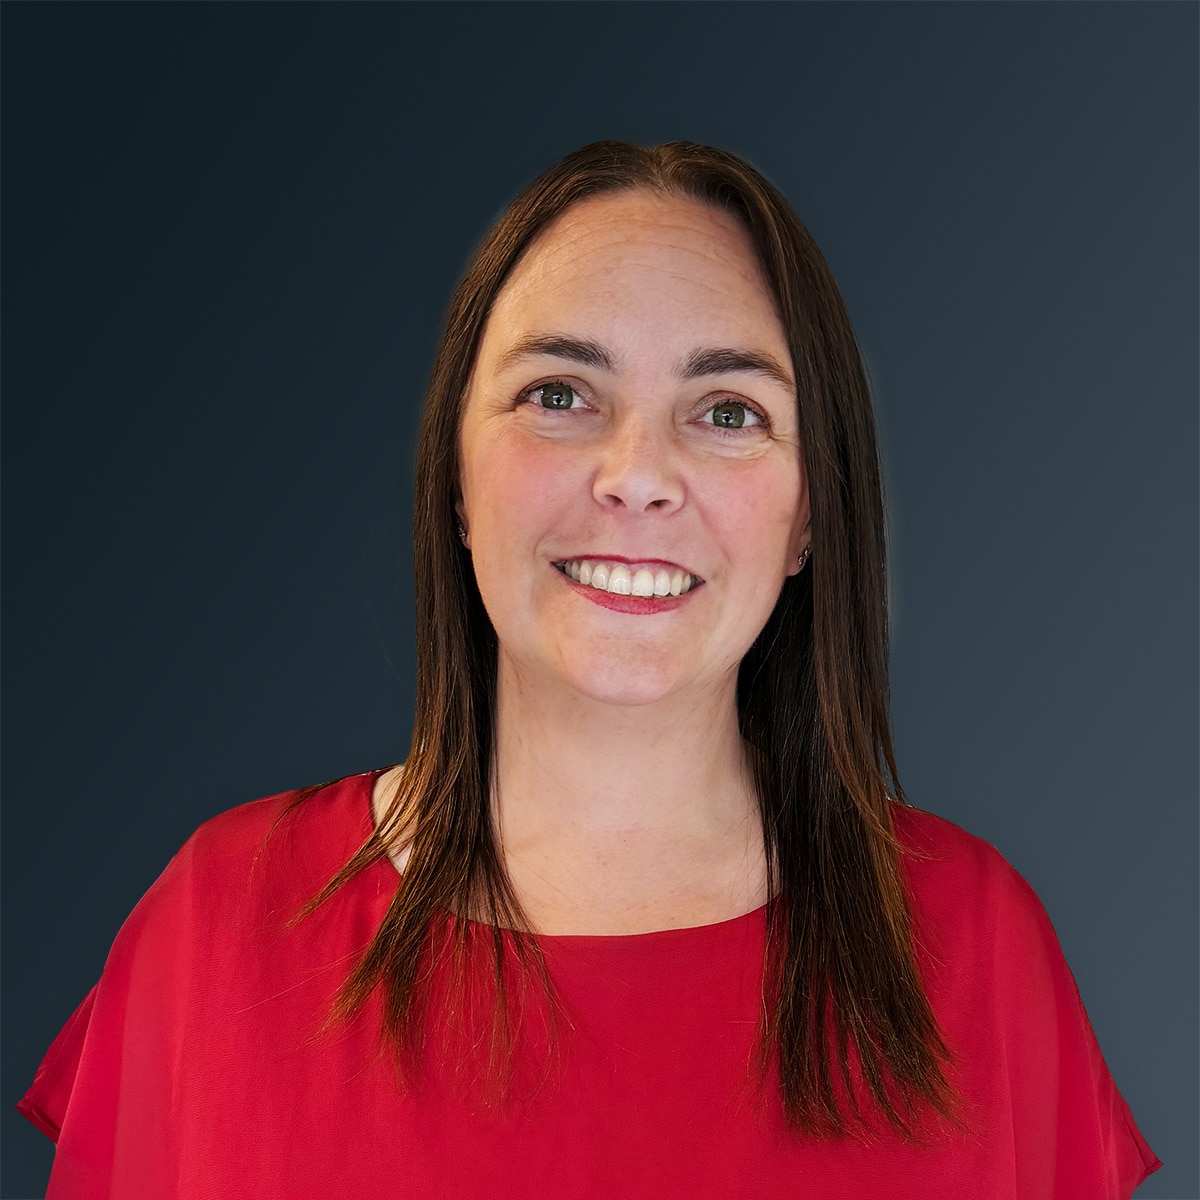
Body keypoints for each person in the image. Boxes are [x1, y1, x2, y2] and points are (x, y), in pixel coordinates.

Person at [18, 140, 1160, 1198]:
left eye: (728, 411)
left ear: (811, 511)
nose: (637, 476)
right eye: (559, 395)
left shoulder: (976, 950)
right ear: (456, 478)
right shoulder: (217, 927)